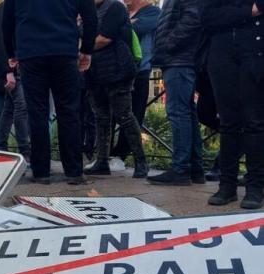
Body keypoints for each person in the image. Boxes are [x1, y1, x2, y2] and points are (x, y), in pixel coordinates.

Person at [3, 0, 98, 184]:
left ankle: (41, 172)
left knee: (37, 113)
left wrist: (12, 53)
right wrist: (86, 50)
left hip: (31, 52)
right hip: (64, 51)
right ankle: (73, 171)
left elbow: (7, 22)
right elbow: (91, 17)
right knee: (69, 112)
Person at [201, 0, 264, 209]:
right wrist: (249, 11)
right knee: (228, 122)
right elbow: (207, 18)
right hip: (222, 55)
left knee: (254, 122)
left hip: (255, 53)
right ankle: (226, 185)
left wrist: (232, 14)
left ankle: (255, 187)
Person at [85, 0, 148, 178]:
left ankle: (141, 161)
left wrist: (81, 47)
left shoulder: (115, 7)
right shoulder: (88, 10)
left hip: (117, 70)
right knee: (101, 117)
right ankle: (102, 161)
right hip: (95, 72)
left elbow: (105, 38)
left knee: (124, 116)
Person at [147, 0, 204, 186]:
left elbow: (192, 19)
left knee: (179, 112)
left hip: (179, 59)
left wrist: (168, 45)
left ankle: (181, 169)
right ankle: (194, 168)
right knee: (187, 112)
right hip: (179, 59)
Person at [112, 0, 161, 159]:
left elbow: (133, 29)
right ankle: (105, 155)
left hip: (140, 71)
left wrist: (119, 24)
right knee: (112, 113)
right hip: (116, 71)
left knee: (133, 114)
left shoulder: (153, 12)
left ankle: (122, 155)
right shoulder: (124, 12)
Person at [0, 1, 31, 160]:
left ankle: (1, 146)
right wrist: (9, 70)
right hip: (15, 64)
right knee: (20, 106)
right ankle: (24, 151)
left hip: (9, 65)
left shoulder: (0, 8)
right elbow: (3, 38)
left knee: (9, 108)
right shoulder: (8, 7)